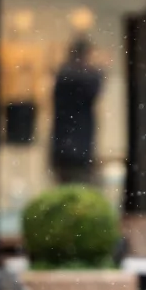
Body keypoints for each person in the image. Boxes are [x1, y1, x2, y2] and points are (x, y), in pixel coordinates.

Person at [51, 37, 104, 184]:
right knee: (78, 186)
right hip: (78, 145)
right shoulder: (76, 76)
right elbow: (93, 86)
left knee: (67, 187)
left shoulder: (64, 75)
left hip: (65, 144)